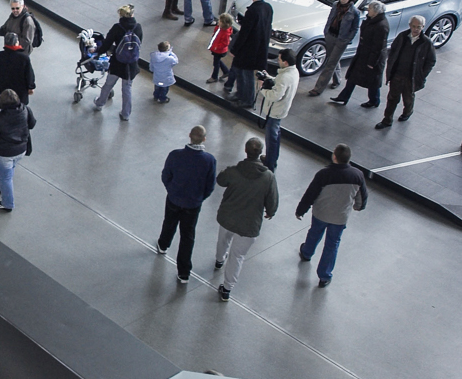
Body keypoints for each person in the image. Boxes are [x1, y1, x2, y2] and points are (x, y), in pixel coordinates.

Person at [213, 138, 279, 301]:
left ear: (245, 150)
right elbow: (272, 200)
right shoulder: (268, 177)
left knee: (223, 240)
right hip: (249, 224)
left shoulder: (234, 171)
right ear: (261, 153)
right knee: (237, 256)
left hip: (228, 216)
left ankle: (219, 260)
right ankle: (227, 289)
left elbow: (220, 180)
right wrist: (270, 211)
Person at [295, 143, 367, 287]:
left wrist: (301, 210)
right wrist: (358, 207)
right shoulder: (357, 175)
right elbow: (362, 196)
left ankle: (307, 253)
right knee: (332, 244)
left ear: (334, 156)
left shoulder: (324, 174)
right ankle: (324, 276)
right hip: (340, 217)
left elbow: (311, 194)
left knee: (314, 233)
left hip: (321, 213)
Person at [156, 126, 217, 284]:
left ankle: (163, 245)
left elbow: (165, 176)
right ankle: (183, 272)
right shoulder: (209, 161)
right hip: (193, 204)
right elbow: (210, 186)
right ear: (204, 139)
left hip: (174, 199)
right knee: (187, 236)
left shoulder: (175, 155)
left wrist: (172, 190)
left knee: (169, 222)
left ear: (189, 136)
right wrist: (199, 198)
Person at [377, 15, 435, 129]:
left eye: (419, 27)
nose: (416, 29)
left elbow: (431, 60)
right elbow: (393, 50)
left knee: (408, 99)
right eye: (414, 26)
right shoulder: (402, 36)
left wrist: (422, 75)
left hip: (411, 77)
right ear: (410, 26)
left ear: (423, 27)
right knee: (392, 98)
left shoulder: (426, 42)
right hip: (397, 75)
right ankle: (387, 120)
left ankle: (407, 112)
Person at [332, 0, 388, 107]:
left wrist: (371, 62)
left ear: (376, 12)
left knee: (372, 82)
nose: (368, 10)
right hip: (363, 55)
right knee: (353, 77)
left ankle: (374, 100)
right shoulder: (372, 20)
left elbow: (378, 47)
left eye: (370, 9)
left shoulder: (381, 26)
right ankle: (343, 97)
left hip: (372, 59)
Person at [225, 0, 273, 108]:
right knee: (242, 72)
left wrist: (235, 49)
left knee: (245, 75)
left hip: (248, 49)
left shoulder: (252, 11)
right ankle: (240, 94)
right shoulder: (267, 8)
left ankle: (247, 100)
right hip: (259, 47)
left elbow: (244, 33)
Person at [92, 4, 142, 120]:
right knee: (127, 88)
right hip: (131, 65)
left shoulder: (117, 27)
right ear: (132, 14)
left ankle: (100, 103)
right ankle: (126, 114)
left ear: (121, 15)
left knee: (108, 84)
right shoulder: (138, 27)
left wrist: (99, 52)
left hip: (117, 62)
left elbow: (107, 43)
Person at [306, 0, 359, 95]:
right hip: (330, 35)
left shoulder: (354, 12)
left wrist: (347, 39)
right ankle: (337, 80)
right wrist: (326, 32)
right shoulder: (336, 5)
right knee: (333, 60)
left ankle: (318, 88)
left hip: (341, 40)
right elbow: (330, 18)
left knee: (330, 64)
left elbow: (355, 28)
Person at [255, 48, 299, 172]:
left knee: (271, 139)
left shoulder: (285, 77)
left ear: (285, 62)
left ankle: (270, 164)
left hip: (275, 111)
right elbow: (279, 83)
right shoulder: (292, 72)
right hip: (281, 110)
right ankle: (271, 158)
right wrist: (268, 77)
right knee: (276, 135)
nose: (278, 60)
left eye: (279, 59)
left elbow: (275, 95)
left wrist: (261, 89)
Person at [0, 33, 35, 105]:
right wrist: (30, 87)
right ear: (16, 43)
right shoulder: (23, 58)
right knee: (21, 107)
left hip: (4, 88)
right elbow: (29, 74)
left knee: (6, 105)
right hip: (21, 91)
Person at [208, 12, 235, 83]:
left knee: (216, 64)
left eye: (220, 21)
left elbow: (225, 43)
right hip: (216, 49)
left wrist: (217, 47)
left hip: (219, 51)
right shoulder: (219, 28)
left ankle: (214, 77)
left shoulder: (225, 33)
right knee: (218, 61)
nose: (218, 22)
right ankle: (226, 71)